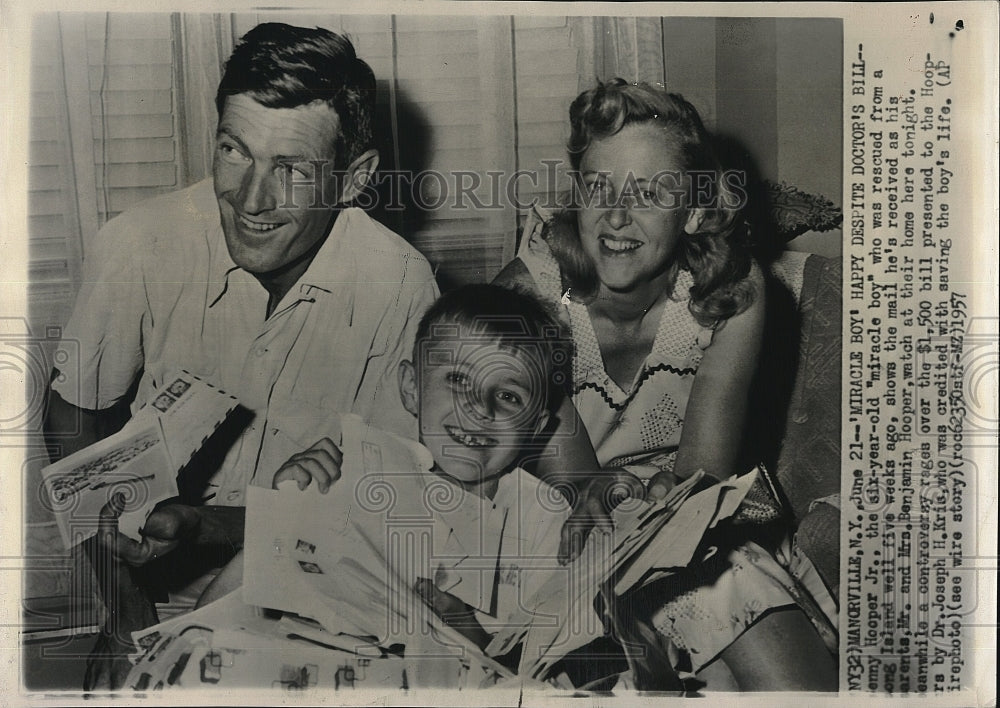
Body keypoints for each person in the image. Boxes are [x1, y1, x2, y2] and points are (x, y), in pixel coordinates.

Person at [42, 23, 437, 689]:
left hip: (314, 586)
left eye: (291, 169)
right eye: (235, 151)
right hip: (147, 588)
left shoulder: (401, 282)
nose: (251, 201)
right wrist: (125, 608)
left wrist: (200, 527)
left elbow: (382, 506)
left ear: (353, 178)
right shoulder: (137, 245)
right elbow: (72, 416)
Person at [493, 79, 838, 691]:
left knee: (728, 595)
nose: (617, 218)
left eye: (650, 193)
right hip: (561, 531)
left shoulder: (736, 293)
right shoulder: (530, 293)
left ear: (697, 212)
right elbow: (573, 484)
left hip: (687, 516)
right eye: (599, 187)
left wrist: (661, 502)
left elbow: (701, 475)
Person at [190, 285, 575, 678]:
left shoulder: (545, 524)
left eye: (509, 396)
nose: (479, 407)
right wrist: (283, 512)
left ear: (536, 428)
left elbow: (540, 678)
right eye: (458, 379)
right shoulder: (353, 476)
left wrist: (465, 629)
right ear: (411, 388)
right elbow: (205, 621)